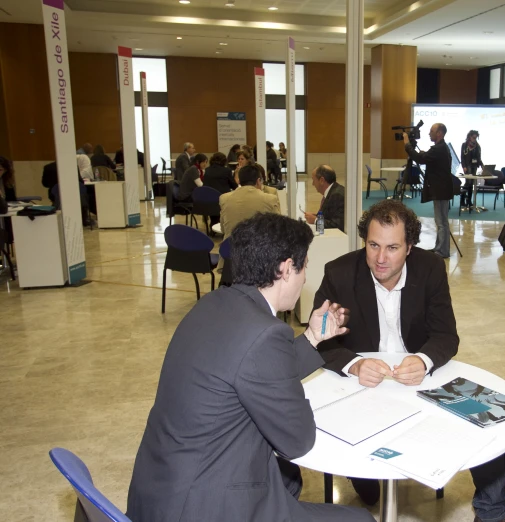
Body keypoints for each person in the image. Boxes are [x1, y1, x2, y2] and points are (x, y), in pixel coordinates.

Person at [126, 212, 374, 522]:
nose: (305, 277)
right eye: (304, 266)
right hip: (201, 507)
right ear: (285, 269)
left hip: (160, 489)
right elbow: (297, 440)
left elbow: (249, 367)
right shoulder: (266, 333)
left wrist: (312, 337)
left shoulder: (213, 305)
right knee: (360, 520)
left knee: (287, 478)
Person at [312, 199, 459, 506]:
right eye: (373, 245)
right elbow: (321, 340)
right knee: (369, 494)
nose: (380, 258)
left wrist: (423, 360)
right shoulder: (338, 273)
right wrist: (353, 364)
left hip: (414, 379)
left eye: (392, 248)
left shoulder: (430, 268)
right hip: (361, 384)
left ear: (409, 247)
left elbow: (446, 334)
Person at [403, 123, 453, 258]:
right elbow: (427, 157)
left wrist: (407, 145)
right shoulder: (441, 148)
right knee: (441, 221)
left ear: (439, 134)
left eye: (432, 131)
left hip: (441, 190)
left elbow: (420, 159)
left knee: (441, 222)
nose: (429, 133)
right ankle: (440, 248)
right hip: (442, 189)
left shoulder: (439, 148)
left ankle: (442, 251)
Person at [220, 165, 281, 239]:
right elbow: (278, 228)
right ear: (258, 181)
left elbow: (223, 229)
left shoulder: (224, 198)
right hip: (258, 247)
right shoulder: (270, 199)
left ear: (239, 181)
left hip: (230, 247)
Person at [304, 165, 345, 232]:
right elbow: (330, 216)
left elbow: (337, 225)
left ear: (321, 180)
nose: (313, 184)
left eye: (314, 180)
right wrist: (317, 216)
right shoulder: (333, 191)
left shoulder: (337, 196)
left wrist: (315, 220)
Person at [460, 130, 483, 210]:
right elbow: (462, 157)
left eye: (476, 137)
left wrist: (482, 165)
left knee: (471, 183)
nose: (475, 139)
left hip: (474, 166)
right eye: (473, 137)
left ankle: (468, 200)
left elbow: (479, 157)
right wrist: (464, 166)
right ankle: (463, 199)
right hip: (467, 166)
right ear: (469, 136)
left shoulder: (477, 146)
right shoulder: (464, 145)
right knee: (468, 182)